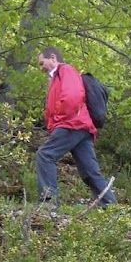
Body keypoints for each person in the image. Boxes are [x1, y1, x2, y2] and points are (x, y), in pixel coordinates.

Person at [35, 47, 116, 209]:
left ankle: (48, 203)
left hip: (72, 124)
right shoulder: (57, 77)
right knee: (90, 171)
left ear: (53, 58)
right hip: (81, 127)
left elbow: (72, 97)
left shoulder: (66, 70)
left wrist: (58, 121)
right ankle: (112, 207)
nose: (41, 67)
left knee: (45, 155)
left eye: (41, 63)